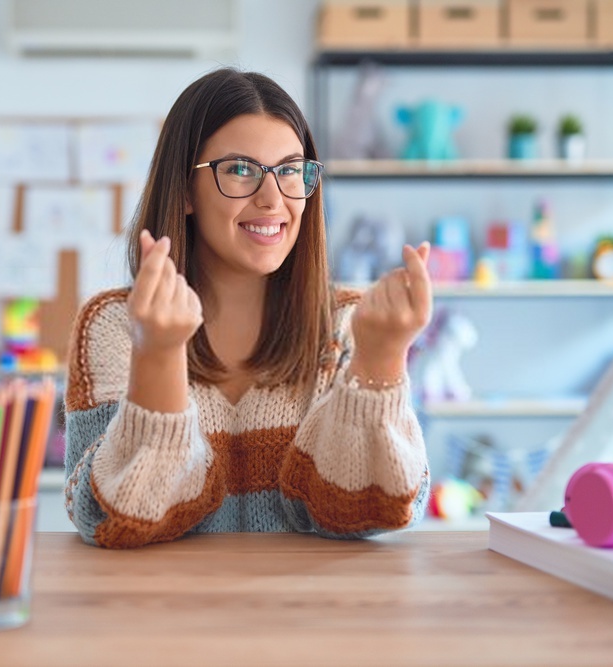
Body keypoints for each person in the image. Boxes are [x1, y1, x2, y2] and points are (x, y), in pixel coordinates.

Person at [64, 68, 432, 548]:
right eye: (240, 169)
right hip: (162, 616)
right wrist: (158, 356)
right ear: (185, 190)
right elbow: (109, 518)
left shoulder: (348, 325)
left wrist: (379, 362)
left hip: (316, 617)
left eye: (289, 170)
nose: (272, 198)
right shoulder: (114, 326)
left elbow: (377, 511)